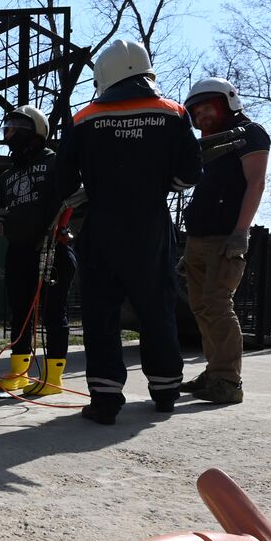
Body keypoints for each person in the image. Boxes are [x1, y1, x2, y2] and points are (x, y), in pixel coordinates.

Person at [55, 38, 202, 425]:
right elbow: (190, 174)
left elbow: (63, 181)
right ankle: (166, 390)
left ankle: (105, 400)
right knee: (157, 309)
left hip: (102, 227)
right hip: (151, 225)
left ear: (104, 76)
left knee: (101, 313)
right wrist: (156, 184)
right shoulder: (173, 112)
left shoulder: (84, 118)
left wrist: (90, 194)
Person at [180, 77, 269, 406]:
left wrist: (240, 232)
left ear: (227, 101)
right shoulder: (211, 143)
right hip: (198, 238)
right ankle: (215, 371)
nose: (201, 115)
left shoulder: (249, 133)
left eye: (207, 107)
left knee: (218, 305)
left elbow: (256, 183)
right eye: (196, 111)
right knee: (201, 307)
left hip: (224, 238)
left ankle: (228, 381)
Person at [0, 105, 78, 397]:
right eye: (7, 126)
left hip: (52, 248)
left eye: (14, 126)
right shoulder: (9, 175)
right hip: (18, 251)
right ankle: (19, 374)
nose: (8, 131)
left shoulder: (55, 163)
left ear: (32, 131)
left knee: (53, 312)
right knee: (20, 313)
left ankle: (53, 377)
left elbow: (77, 190)